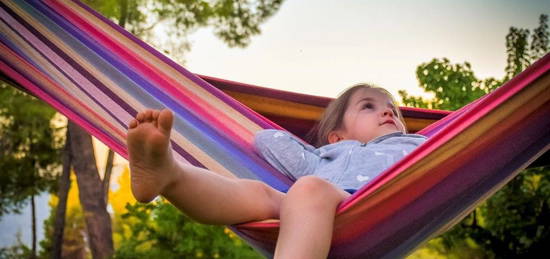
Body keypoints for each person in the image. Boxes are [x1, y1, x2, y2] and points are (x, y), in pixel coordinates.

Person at [126, 84, 426, 259]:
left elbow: (447, 163)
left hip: (376, 205)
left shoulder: (416, 144)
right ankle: (169, 175)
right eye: (368, 107)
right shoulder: (324, 157)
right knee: (263, 193)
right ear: (336, 136)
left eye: (393, 110)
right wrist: (313, 149)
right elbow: (266, 140)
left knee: (308, 188)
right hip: (309, 212)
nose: (387, 112)